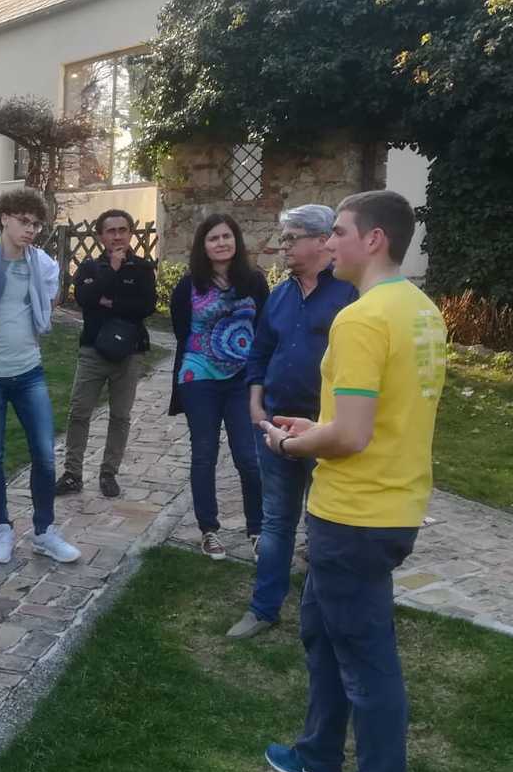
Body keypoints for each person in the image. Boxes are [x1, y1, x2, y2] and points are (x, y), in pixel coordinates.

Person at [259, 190, 446, 772]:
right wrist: (320, 425)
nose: (329, 242)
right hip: (389, 503)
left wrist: (292, 443)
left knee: (366, 660)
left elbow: (353, 437)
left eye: (338, 231)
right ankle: (317, 756)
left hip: (357, 514)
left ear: (374, 240)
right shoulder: (420, 310)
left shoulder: (361, 319)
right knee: (322, 632)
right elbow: (375, 417)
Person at [229, 205, 357, 640]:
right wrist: (255, 401)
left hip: (326, 430)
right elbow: (260, 351)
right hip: (276, 426)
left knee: (326, 526)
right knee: (275, 522)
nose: (281, 246)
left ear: (322, 241)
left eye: (290, 238)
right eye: (282, 238)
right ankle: (264, 608)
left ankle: (325, 614)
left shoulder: (350, 294)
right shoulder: (280, 295)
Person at [0, 188, 81, 566]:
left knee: (44, 453)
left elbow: (47, 302)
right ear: (4, 218)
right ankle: (3, 528)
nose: (30, 229)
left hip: (29, 370)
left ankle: (44, 532)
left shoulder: (41, 264)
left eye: (36, 224)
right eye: (24, 221)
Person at [170, 212, 268, 560]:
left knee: (249, 457)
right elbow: (181, 331)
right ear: (204, 245)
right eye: (214, 238)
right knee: (204, 454)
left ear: (236, 241)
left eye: (227, 236)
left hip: (243, 379)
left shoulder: (254, 282)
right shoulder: (188, 286)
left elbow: (264, 328)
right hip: (199, 378)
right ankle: (208, 530)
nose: (221, 243)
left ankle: (257, 530)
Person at [56, 208, 157, 500]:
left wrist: (109, 302)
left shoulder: (142, 268)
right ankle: (72, 474)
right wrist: (111, 270)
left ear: (130, 233)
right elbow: (84, 299)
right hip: (93, 350)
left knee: (120, 416)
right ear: (101, 236)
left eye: (122, 230)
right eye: (111, 231)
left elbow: (145, 306)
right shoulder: (90, 268)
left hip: (129, 352)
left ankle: (108, 473)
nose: (117, 236)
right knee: (79, 412)